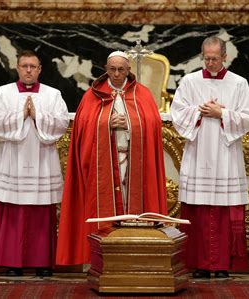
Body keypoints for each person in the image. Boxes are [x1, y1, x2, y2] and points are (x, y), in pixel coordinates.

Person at [56, 51, 167, 266]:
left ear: (129, 70)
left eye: (121, 70)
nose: (116, 74)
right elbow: (83, 128)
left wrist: (129, 124)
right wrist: (106, 123)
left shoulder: (142, 94)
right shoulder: (92, 95)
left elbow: (152, 125)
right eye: (112, 69)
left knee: (133, 208)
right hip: (102, 167)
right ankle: (99, 262)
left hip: (134, 165)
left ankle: (136, 259)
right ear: (106, 69)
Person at [170, 36, 249, 279]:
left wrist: (222, 113)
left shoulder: (238, 83)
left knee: (223, 211)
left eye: (214, 58)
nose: (209, 62)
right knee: (197, 210)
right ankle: (198, 263)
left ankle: (221, 265)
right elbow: (177, 113)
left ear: (225, 57)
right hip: (199, 153)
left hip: (225, 155)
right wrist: (198, 111)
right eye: (206, 58)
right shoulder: (189, 81)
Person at [0, 50, 69, 277]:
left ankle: (43, 262)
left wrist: (38, 115)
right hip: (12, 162)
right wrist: (21, 114)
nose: (28, 70)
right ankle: (13, 263)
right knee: (12, 211)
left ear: (39, 69)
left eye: (33, 66)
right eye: (24, 66)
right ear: (17, 68)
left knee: (41, 212)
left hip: (42, 161)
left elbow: (61, 123)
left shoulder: (53, 94)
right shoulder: (2, 93)